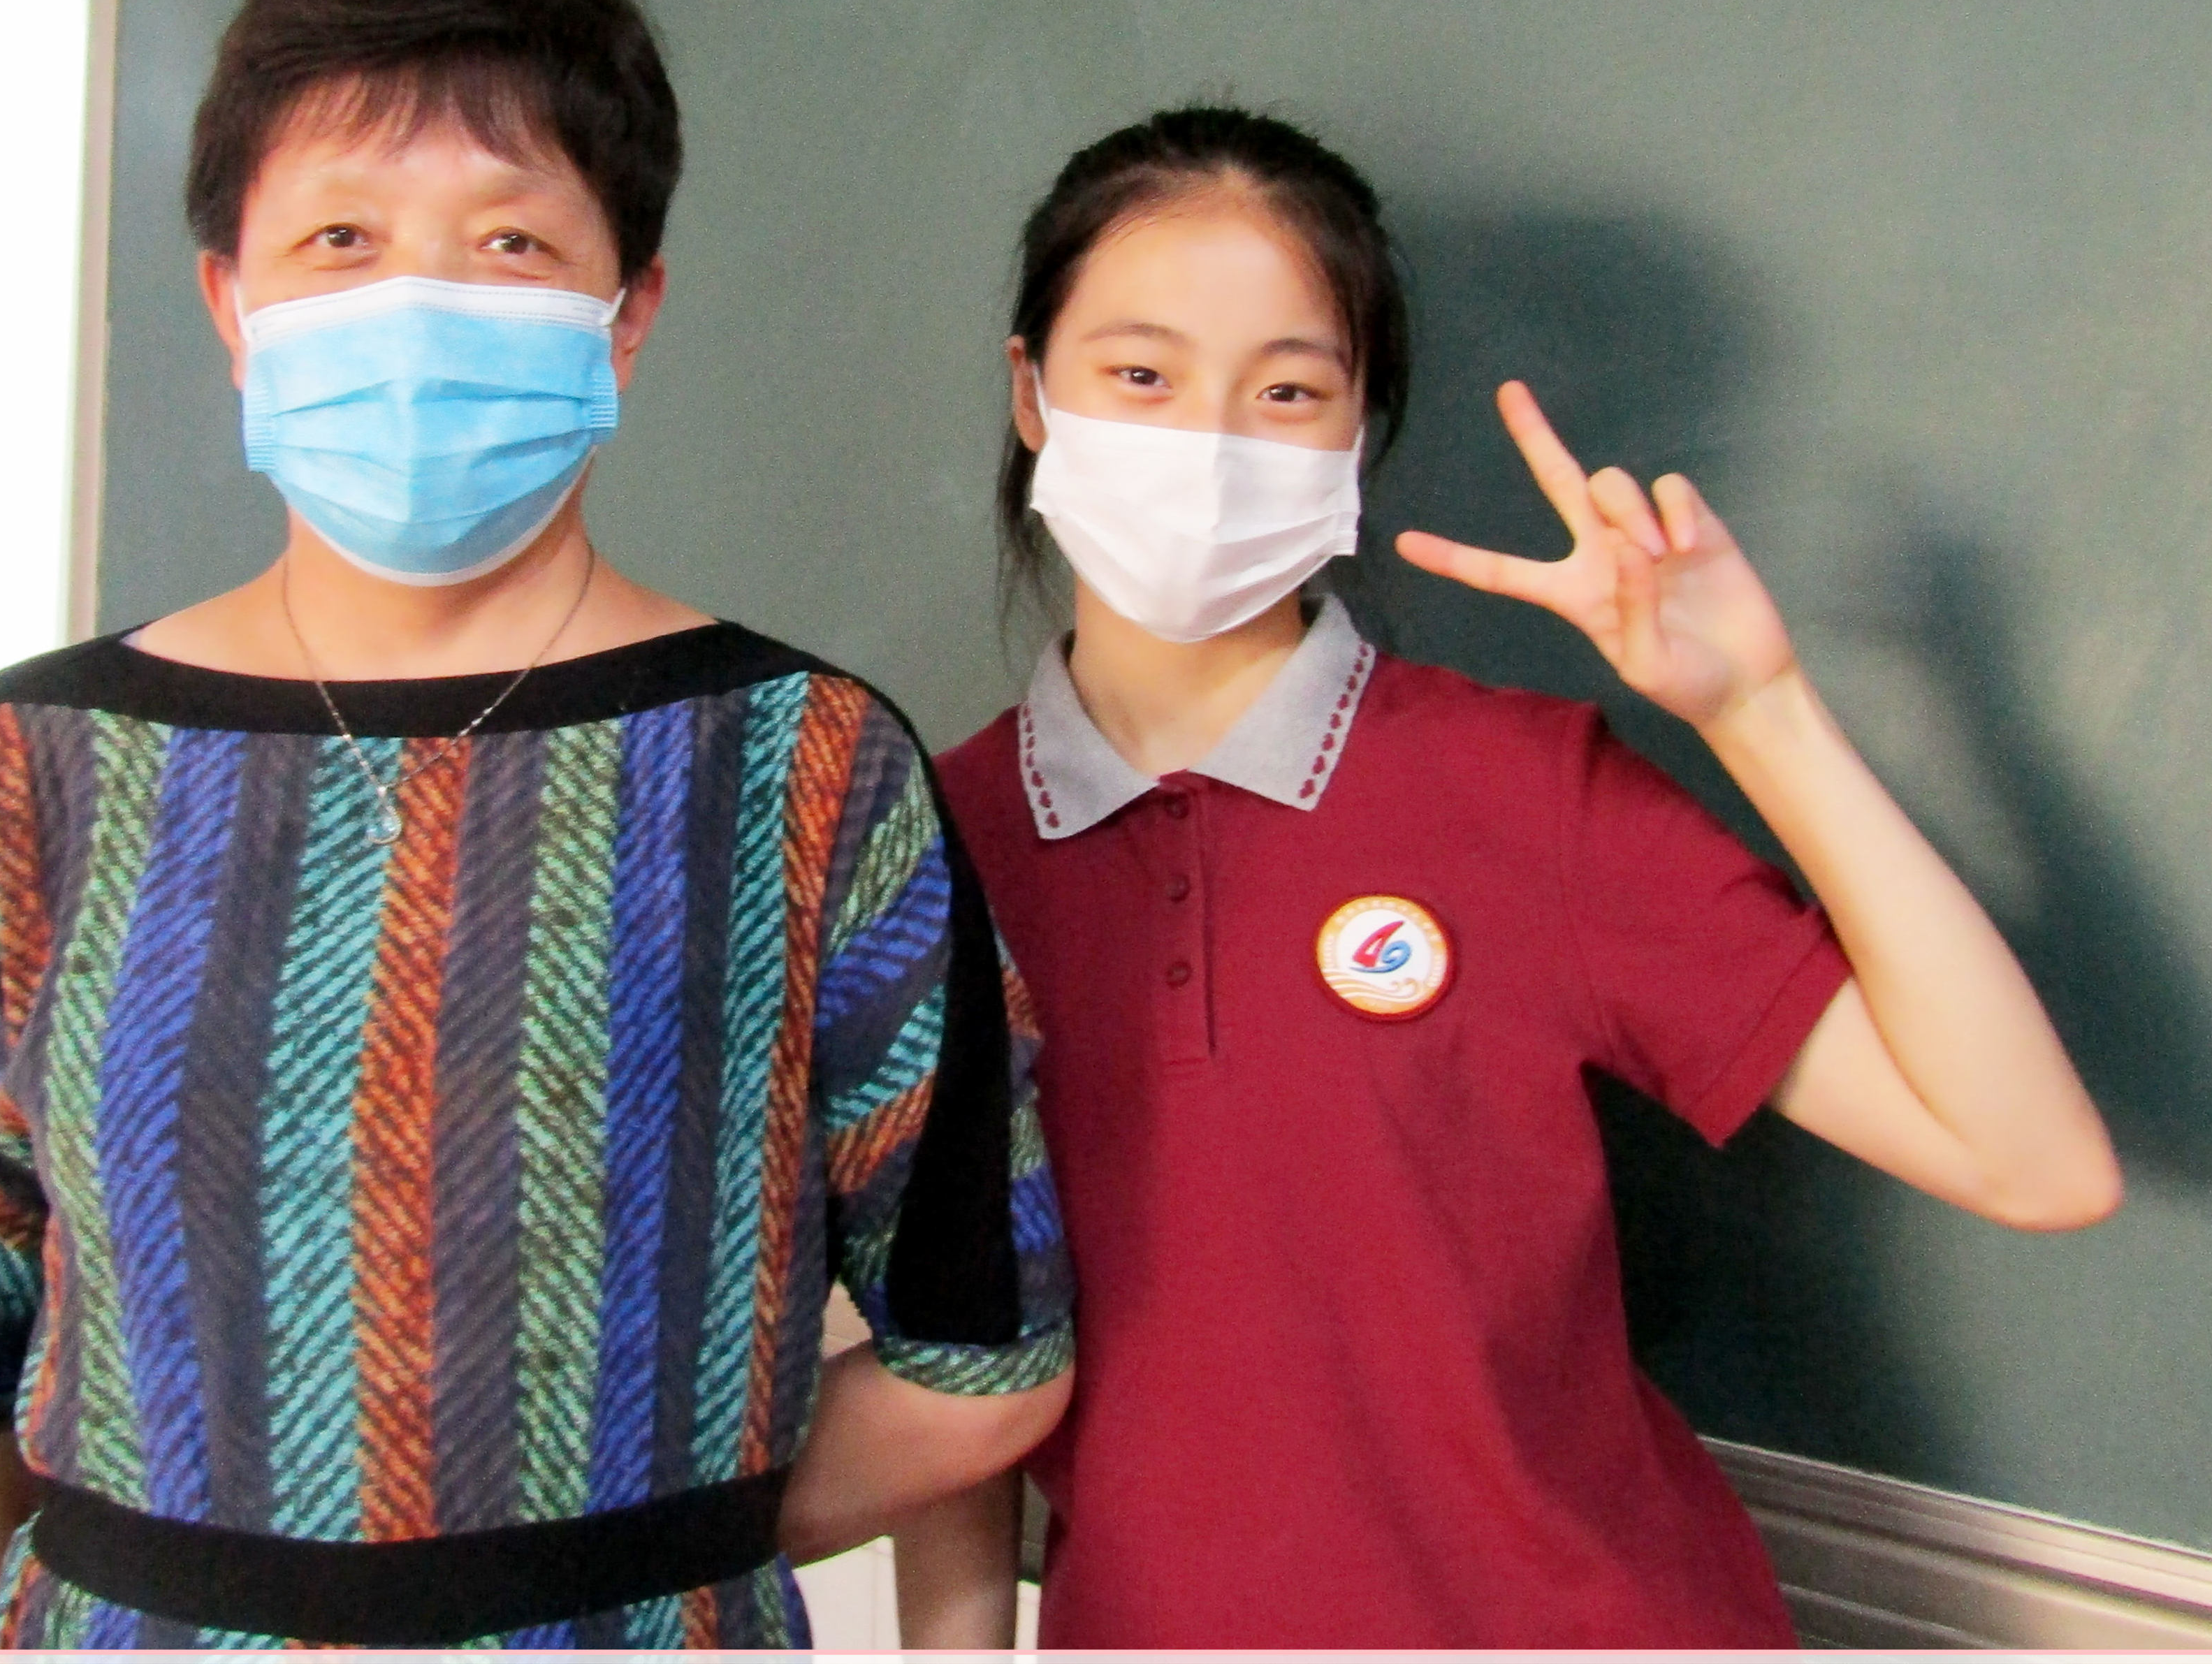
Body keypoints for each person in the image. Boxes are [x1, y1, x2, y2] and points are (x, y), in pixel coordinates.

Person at [0, 0, 1073, 1651]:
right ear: (230, 304)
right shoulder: (24, 775)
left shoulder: (803, 766)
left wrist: (612, 1561)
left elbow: (984, 1358)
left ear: (626, 318)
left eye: (511, 243)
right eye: (339, 238)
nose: (417, 305)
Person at [896, 104, 2121, 1648]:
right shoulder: (920, 852)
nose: (1208, 447)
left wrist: (1761, 712)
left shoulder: (1525, 792)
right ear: (1031, 392)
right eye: (1140, 376)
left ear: (1359, 432)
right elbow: (948, 1369)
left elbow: (2035, 1163)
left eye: (1288, 390)